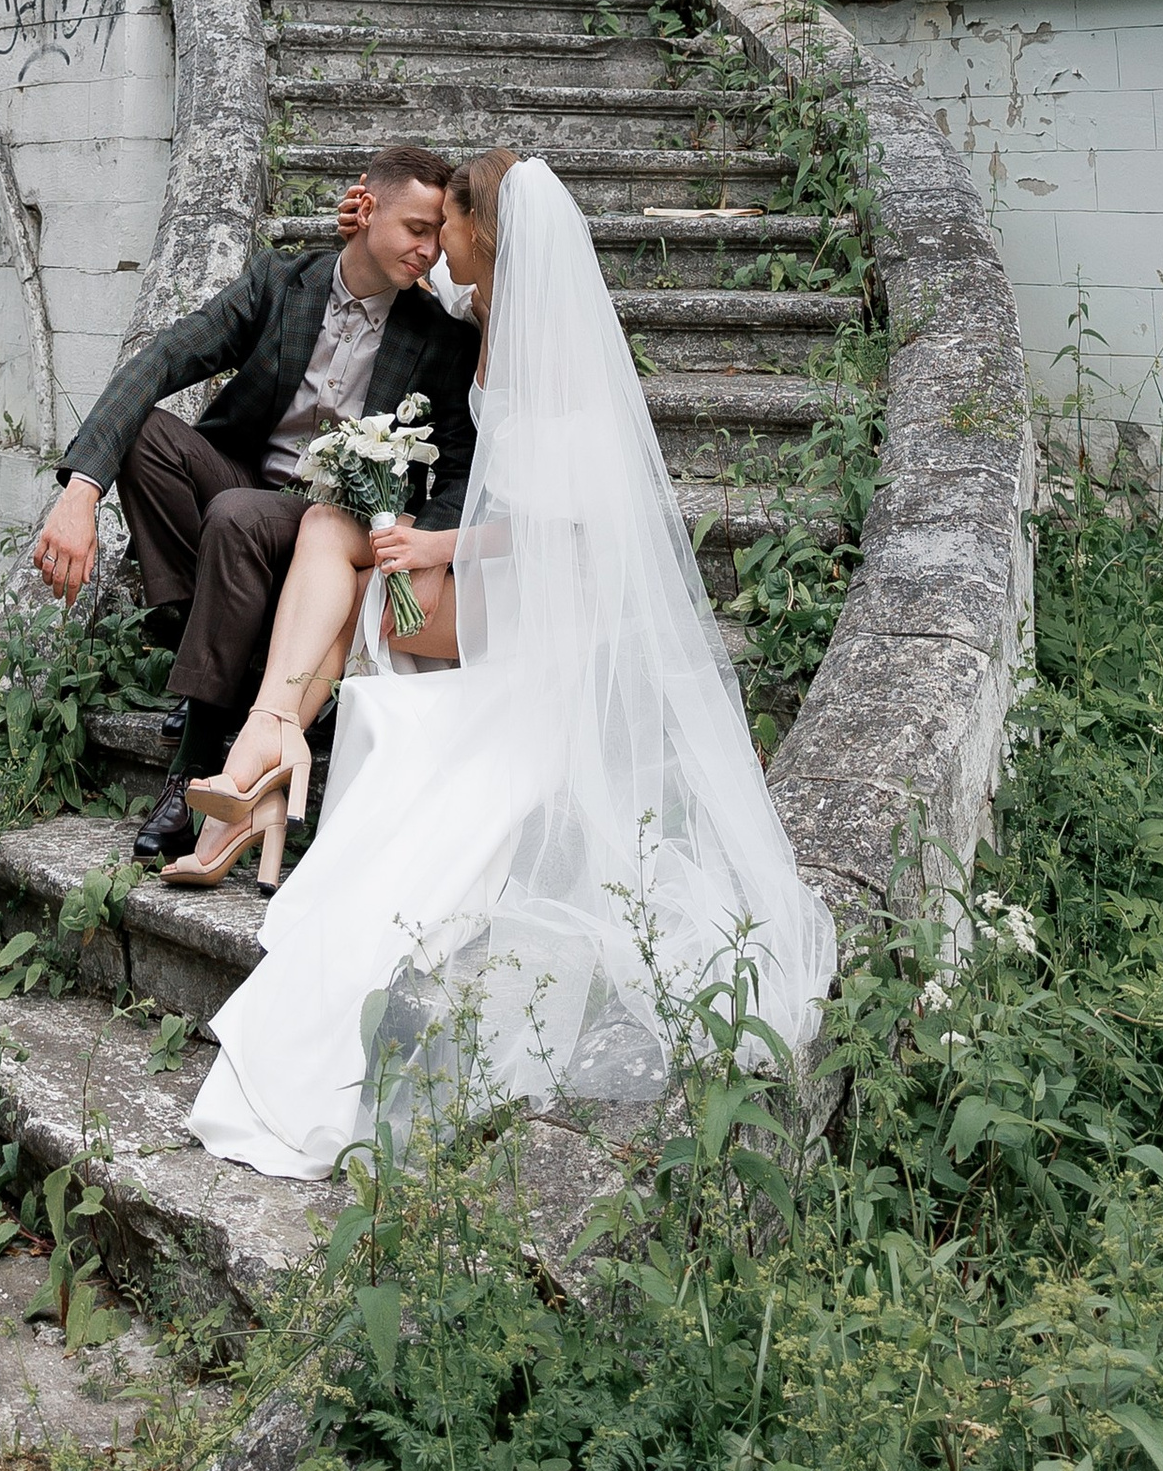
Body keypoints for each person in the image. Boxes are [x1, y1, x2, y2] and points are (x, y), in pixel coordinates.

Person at [183, 150, 838, 1180]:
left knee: (357, 569)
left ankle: (265, 770)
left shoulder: (557, 352)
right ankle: (273, 741)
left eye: (444, 226)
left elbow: (571, 529)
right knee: (330, 532)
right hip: (484, 591)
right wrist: (353, 223)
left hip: (542, 610)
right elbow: (388, 258)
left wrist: (438, 543)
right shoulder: (474, 299)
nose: (431, 244)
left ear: (484, 232)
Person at [31, 139, 480, 870]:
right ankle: (222, 659)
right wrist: (82, 490)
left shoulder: (439, 337)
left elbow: (459, 467)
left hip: (331, 520)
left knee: (238, 515)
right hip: (244, 481)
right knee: (148, 435)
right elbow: (166, 355)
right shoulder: (282, 282)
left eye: (437, 234)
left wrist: (421, 547)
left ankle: (194, 767)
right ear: (365, 208)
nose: (428, 252)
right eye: (415, 229)